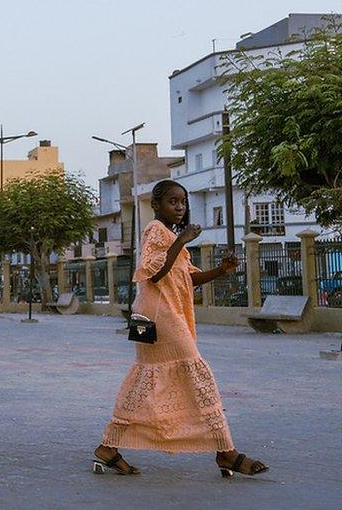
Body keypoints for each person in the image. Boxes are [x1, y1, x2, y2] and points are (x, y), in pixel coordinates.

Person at [94, 179, 268, 477]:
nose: (179, 207)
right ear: (156, 206)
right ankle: (225, 452)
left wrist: (221, 271)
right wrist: (182, 240)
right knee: (195, 372)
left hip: (163, 314)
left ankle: (109, 446)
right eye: (172, 201)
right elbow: (155, 273)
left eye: (183, 202)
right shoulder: (154, 231)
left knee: (146, 379)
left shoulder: (169, 235)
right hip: (158, 315)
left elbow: (187, 278)